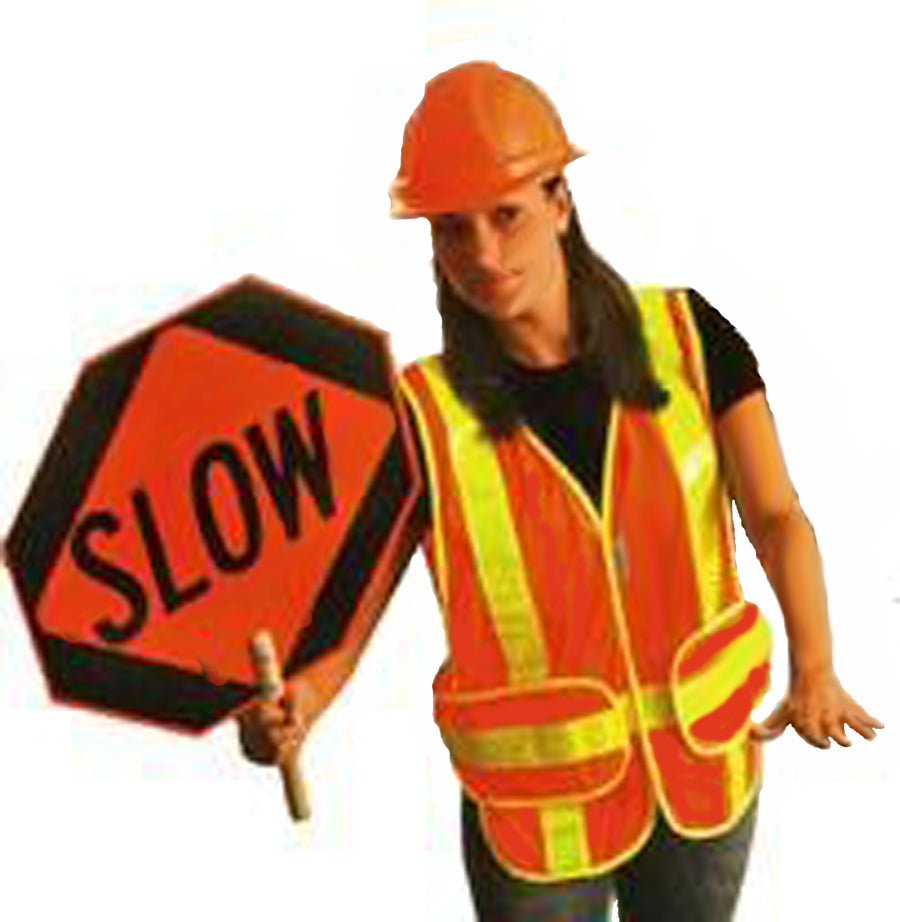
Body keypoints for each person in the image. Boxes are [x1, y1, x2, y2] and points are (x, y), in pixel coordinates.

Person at [237, 61, 884, 921]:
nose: (484, 255)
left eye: (505, 216)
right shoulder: (421, 416)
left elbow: (775, 515)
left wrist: (815, 665)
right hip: (536, 812)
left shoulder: (691, 338)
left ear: (559, 203)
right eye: (452, 230)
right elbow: (351, 611)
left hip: (701, 773)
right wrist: (297, 707)